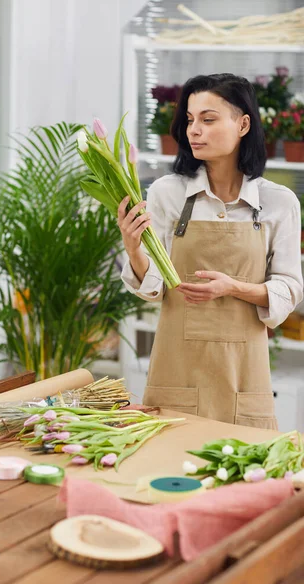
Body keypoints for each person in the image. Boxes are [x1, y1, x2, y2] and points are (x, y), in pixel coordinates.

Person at [119, 73, 303, 429]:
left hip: (242, 379)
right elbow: (154, 287)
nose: (194, 131)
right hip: (177, 373)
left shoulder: (278, 202)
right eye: (189, 120)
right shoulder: (166, 193)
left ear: (243, 124)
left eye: (208, 119)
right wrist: (133, 249)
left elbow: (289, 288)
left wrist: (232, 288)